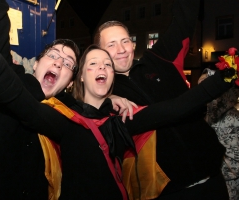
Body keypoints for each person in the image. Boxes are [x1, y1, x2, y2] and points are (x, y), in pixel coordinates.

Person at [0, 8, 233, 199]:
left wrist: (227, 76)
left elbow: (177, 107)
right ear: (79, 78)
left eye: (106, 64)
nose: (103, 67)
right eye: (92, 63)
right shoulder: (65, 120)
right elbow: (20, 102)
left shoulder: (122, 119)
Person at [0, 2, 134, 199]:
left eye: (68, 64)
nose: (58, 63)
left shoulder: (67, 116)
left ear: (69, 82)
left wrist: (110, 97)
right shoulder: (4, 74)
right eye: (53, 55)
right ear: (36, 64)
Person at [93, 0, 231, 199]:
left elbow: (184, 19)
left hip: (212, 179)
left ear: (133, 44)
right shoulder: (104, 93)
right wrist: (108, 97)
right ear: (101, 52)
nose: (121, 49)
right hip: (166, 192)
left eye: (125, 40)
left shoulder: (159, 58)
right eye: (111, 45)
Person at [199, 67, 239, 200]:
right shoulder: (209, 115)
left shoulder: (233, 120)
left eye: (205, 89)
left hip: (228, 188)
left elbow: (234, 166)